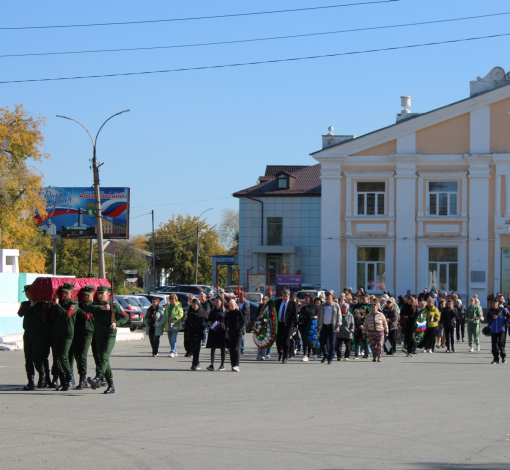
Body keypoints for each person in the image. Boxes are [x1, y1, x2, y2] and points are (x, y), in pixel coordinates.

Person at [82, 285, 130, 393]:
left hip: (110, 335)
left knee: (104, 356)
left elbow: (126, 316)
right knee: (104, 360)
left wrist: (116, 323)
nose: (99, 295)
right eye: (98, 293)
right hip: (99, 335)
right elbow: (86, 308)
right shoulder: (95, 305)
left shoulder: (113, 306)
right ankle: (111, 385)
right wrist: (101, 308)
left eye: (102, 293)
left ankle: (98, 377)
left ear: (108, 294)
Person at [49, 282, 78, 391]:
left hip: (67, 334)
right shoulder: (59, 303)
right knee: (57, 359)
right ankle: (63, 381)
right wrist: (52, 306)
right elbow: (52, 318)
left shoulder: (73, 303)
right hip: (57, 333)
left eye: (66, 292)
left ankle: (70, 379)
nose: (64, 294)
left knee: (63, 356)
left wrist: (57, 306)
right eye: (63, 292)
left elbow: (67, 315)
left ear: (71, 293)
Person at [18, 285, 46, 390]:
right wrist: (30, 306)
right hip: (28, 333)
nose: (28, 295)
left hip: (38, 334)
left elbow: (42, 316)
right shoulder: (25, 304)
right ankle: (30, 381)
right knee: (28, 358)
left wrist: (34, 305)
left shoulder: (41, 304)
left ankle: (42, 374)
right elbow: (20, 313)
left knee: (36, 357)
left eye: (29, 293)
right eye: (26, 293)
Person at [73, 285, 96, 389]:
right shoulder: (80, 304)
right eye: (84, 295)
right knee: (77, 355)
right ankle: (81, 377)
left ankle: (83, 378)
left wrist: (76, 307)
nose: (86, 296)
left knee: (82, 354)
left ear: (92, 295)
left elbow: (86, 316)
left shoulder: (93, 306)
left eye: (88, 295)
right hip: (77, 332)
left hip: (88, 332)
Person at [275, 289, 298, 364]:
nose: (284, 298)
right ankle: (280, 352)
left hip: (288, 325)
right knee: (278, 340)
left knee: (286, 341)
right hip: (279, 324)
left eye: (286, 296)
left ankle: (285, 356)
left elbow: (295, 316)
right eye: (283, 296)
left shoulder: (293, 303)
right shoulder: (278, 302)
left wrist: (295, 326)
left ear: (289, 296)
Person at [317, 292, 341, 364]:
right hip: (324, 326)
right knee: (322, 342)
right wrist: (318, 326)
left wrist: (338, 326)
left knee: (332, 343)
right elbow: (319, 316)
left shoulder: (336, 306)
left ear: (332, 299)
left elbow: (339, 316)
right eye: (326, 299)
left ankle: (330, 358)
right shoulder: (322, 306)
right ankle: (326, 355)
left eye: (329, 299)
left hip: (332, 326)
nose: (327, 300)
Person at [185, 299, 207, 371]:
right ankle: (194, 363)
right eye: (193, 304)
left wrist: (206, 326)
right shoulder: (190, 311)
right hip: (191, 332)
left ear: (198, 304)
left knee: (196, 349)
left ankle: (196, 363)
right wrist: (187, 330)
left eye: (195, 304)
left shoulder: (202, 311)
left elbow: (207, 319)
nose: (194, 305)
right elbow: (187, 322)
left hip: (199, 332)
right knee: (192, 348)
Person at [206, 297, 227, 371]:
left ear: (221, 302)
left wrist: (227, 330)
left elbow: (227, 321)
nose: (216, 302)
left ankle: (222, 364)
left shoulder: (224, 311)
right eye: (215, 301)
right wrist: (209, 322)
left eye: (218, 301)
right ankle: (212, 364)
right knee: (213, 347)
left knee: (222, 347)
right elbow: (208, 319)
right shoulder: (212, 311)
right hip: (214, 330)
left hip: (222, 329)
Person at [487, 300, 510, 364]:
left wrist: (505, 324)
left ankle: (503, 357)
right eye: (492, 304)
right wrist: (492, 317)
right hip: (493, 330)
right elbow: (487, 319)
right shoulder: (490, 311)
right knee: (494, 345)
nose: (493, 305)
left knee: (501, 344)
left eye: (494, 304)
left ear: (497, 304)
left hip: (501, 330)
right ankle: (495, 359)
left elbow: (509, 316)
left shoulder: (502, 310)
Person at [225, 299, 245, 372]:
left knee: (236, 348)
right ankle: (233, 364)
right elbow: (226, 322)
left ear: (235, 305)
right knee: (232, 349)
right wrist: (227, 330)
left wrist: (240, 329)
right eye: (229, 306)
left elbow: (243, 321)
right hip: (231, 332)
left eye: (232, 306)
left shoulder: (239, 312)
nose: (231, 307)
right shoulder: (228, 313)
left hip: (238, 333)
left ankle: (237, 365)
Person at [298, 294, 319, 362]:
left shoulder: (314, 306)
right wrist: (301, 306)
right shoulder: (302, 306)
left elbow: (320, 314)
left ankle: (315, 354)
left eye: (307, 298)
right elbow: (296, 312)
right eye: (305, 298)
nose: (306, 300)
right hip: (303, 326)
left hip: (312, 326)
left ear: (310, 299)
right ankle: (305, 355)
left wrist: (316, 317)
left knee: (313, 339)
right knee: (304, 341)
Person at [164, 293, 184, 358]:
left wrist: (174, 318)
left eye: (173, 298)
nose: (171, 299)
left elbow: (181, 314)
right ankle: (175, 350)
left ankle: (172, 351)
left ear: (175, 299)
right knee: (170, 339)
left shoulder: (178, 305)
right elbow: (165, 314)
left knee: (173, 338)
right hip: (168, 324)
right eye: (170, 298)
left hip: (175, 324)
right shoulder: (168, 307)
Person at [255, 295, 271, 361]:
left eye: (265, 299)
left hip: (266, 325)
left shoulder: (268, 307)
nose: (264, 300)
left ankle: (264, 355)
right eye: (263, 299)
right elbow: (257, 315)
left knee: (264, 340)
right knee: (259, 340)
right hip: (259, 324)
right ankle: (258, 355)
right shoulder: (260, 307)